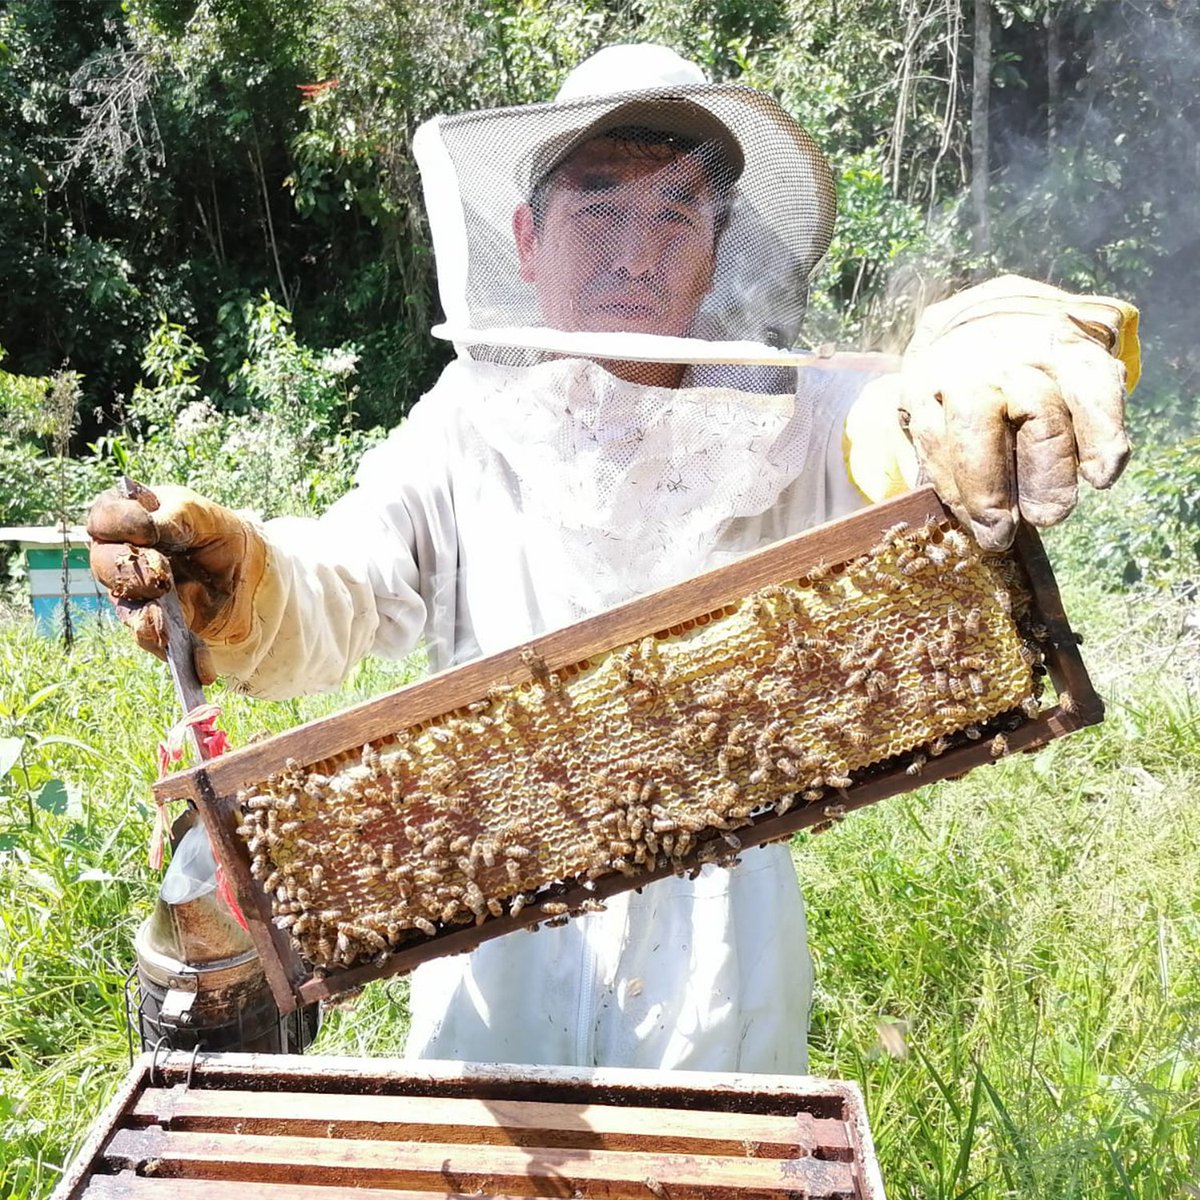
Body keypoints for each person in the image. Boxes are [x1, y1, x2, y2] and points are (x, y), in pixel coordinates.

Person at [89, 44, 1139, 1073]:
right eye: (600, 208)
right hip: (488, 957)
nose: (637, 254)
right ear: (528, 239)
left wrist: (981, 345)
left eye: (675, 212)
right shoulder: (465, 424)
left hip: (720, 979)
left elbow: (908, 440)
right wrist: (240, 580)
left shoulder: (805, 419)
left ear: (720, 248)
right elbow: (347, 587)